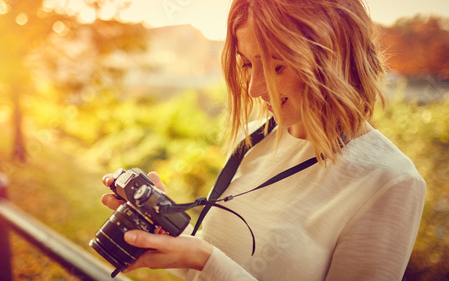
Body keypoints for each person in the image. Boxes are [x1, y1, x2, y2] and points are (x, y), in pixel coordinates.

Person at [100, 0, 426, 280]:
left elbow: (213, 263)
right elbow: (215, 266)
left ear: (334, 58)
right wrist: (164, 231)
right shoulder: (254, 137)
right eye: (246, 64)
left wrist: (205, 259)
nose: (254, 88)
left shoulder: (390, 180)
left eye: (277, 66)